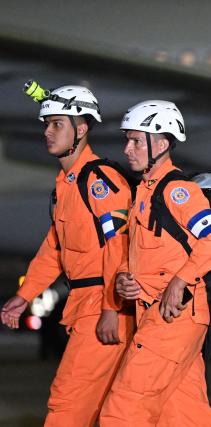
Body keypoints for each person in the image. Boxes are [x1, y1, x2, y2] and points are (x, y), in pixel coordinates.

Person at [0, 85, 134, 426]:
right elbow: (54, 250)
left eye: (57, 123)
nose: (47, 131)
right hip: (85, 303)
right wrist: (24, 295)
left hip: (104, 305)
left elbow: (120, 247)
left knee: (67, 402)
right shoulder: (67, 185)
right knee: (106, 408)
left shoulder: (99, 180)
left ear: (82, 128)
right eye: (46, 124)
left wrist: (110, 309)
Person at [100, 100, 211, 426]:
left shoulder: (178, 192)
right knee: (185, 416)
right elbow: (140, 253)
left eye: (135, 141)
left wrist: (180, 280)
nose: (127, 149)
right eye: (126, 140)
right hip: (159, 315)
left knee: (123, 411)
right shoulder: (144, 193)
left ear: (160, 144)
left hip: (172, 319)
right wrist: (123, 278)